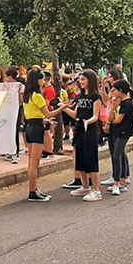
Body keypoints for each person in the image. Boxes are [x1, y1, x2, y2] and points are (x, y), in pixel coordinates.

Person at [22, 69, 67, 202]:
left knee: (31, 162)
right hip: (37, 129)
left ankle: (34, 188)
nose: (43, 82)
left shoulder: (27, 95)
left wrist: (44, 119)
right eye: (42, 79)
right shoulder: (37, 96)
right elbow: (48, 113)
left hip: (30, 126)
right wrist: (62, 108)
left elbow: (31, 114)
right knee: (34, 163)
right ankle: (32, 191)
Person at [62, 69, 103, 201]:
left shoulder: (96, 97)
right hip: (79, 129)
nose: (80, 82)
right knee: (80, 158)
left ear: (90, 80)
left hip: (90, 131)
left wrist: (87, 122)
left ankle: (96, 189)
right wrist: (63, 108)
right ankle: (85, 186)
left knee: (91, 158)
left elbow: (96, 116)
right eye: (80, 79)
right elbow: (75, 114)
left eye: (83, 79)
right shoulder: (80, 96)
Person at [104, 79, 133, 196]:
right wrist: (112, 106)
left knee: (117, 155)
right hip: (116, 132)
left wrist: (112, 110)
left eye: (114, 90)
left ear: (120, 90)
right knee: (119, 154)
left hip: (123, 132)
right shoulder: (119, 103)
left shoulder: (127, 104)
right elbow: (111, 118)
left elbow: (116, 120)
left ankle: (118, 181)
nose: (112, 92)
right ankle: (122, 178)